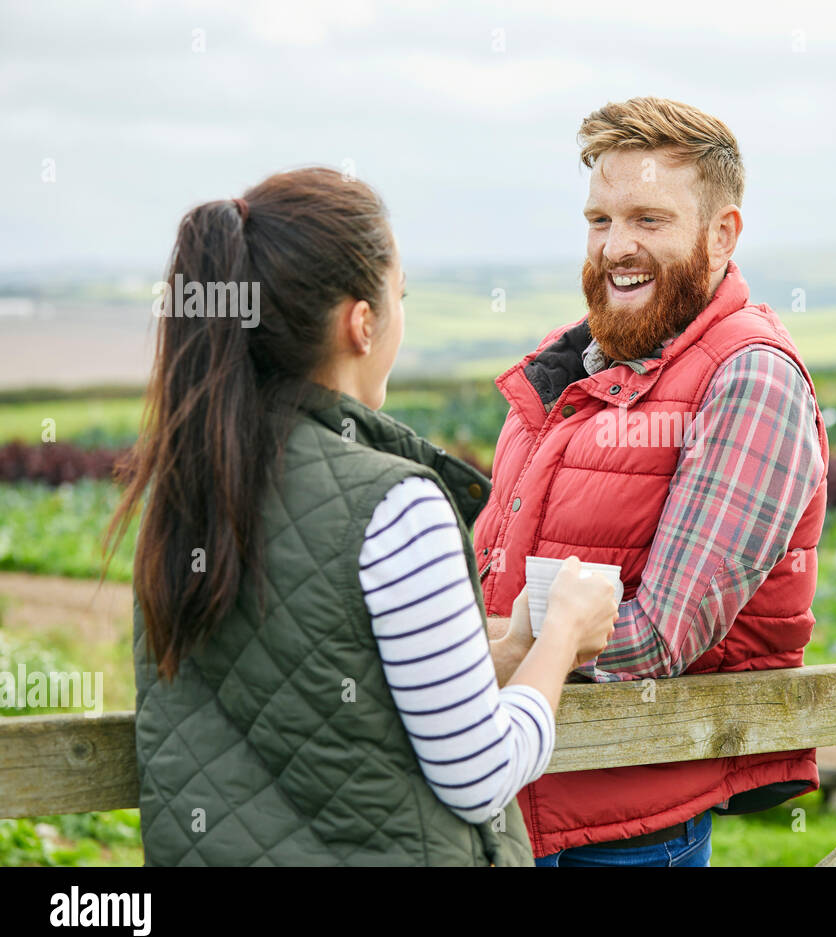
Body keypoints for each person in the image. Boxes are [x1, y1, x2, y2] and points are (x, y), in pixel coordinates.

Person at [111, 166, 617, 866]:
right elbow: (478, 776)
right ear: (363, 322)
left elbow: (322, 694)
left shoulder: (186, 484)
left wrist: (504, 652)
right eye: (400, 298)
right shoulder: (397, 504)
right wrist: (563, 635)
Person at [476, 97, 830, 866]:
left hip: (623, 830)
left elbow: (659, 637)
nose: (615, 248)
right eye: (599, 221)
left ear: (721, 235)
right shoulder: (568, 363)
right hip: (510, 801)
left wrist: (464, 664)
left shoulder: (751, 380)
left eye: (648, 220)